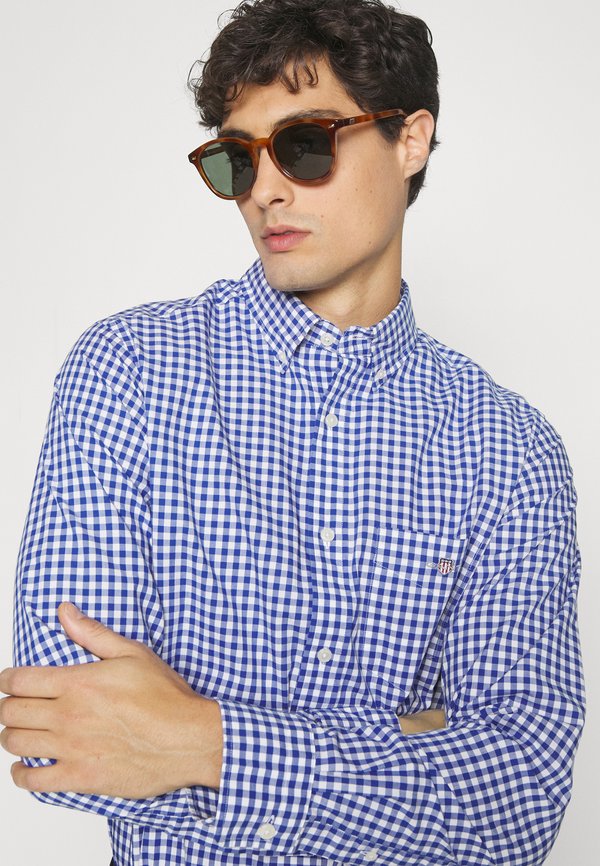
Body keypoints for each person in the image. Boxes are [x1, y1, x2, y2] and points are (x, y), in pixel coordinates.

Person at [0, 0, 586, 864]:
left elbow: (518, 804)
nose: (265, 190)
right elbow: (65, 739)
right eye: (238, 159)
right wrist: (412, 735)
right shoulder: (130, 373)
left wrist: (199, 737)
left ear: (410, 140)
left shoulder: (510, 450)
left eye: (305, 144)